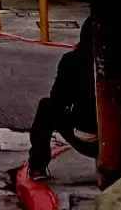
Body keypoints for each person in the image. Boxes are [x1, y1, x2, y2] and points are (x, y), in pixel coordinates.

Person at [27, 16, 98, 179]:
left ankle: (37, 166)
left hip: (87, 136)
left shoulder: (72, 60)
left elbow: (58, 98)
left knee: (46, 107)